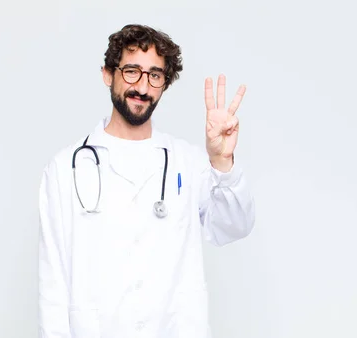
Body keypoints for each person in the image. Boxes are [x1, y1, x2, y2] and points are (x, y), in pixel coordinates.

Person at [38, 24, 255, 338]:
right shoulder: (64, 169)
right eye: (131, 71)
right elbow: (52, 285)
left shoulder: (188, 161)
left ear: (164, 84)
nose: (142, 86)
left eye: (155, 75)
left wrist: (221, 161)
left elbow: (233, 226)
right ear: (107, 74)